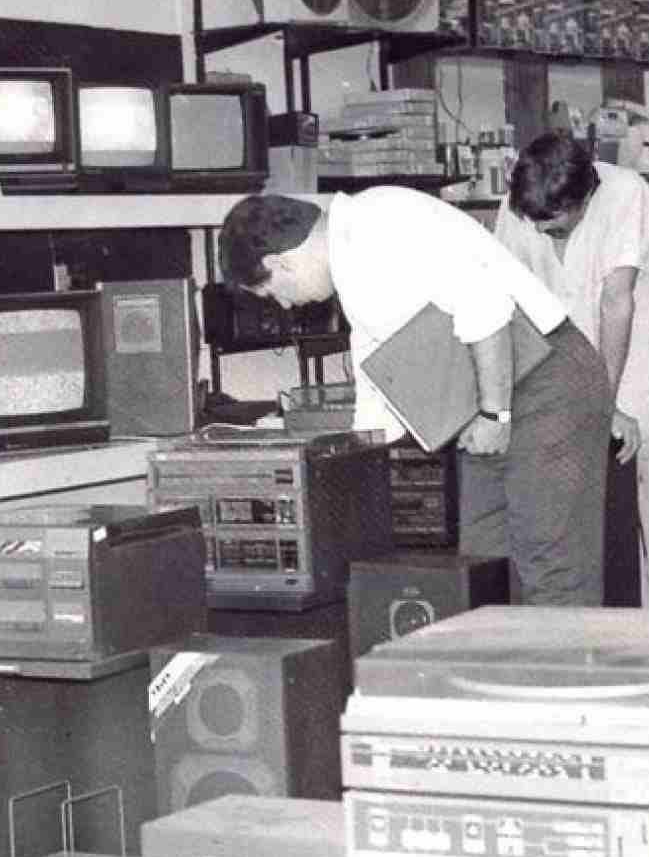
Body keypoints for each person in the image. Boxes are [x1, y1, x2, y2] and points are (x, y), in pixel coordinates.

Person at [217, 189, 613, 607]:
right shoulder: (354, 254)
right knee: (484, 562)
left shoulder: (377, 230)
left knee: (551, 564)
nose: (285, 304)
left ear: (279, 263)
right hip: (495, 395)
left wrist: (496, 416)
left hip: (543, 378)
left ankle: (563, 672)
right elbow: (377, 385)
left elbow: (486, 305)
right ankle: (497, 670)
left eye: (274, 292)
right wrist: (331, 457)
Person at [494, 135, 649, 607]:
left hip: (646, 371)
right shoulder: (517, 208)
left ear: (587, 195)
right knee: (582, 524)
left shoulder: (626, 194)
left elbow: (616, 300)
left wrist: (606, 403)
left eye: (558, 228)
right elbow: (506, 296)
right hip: (567, 376)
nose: (546, 235)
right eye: (538, 226)